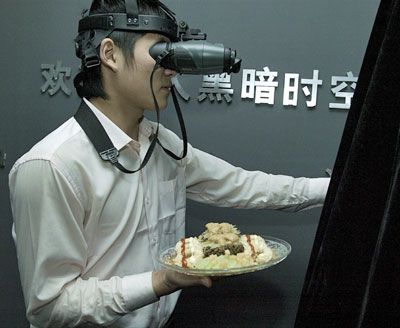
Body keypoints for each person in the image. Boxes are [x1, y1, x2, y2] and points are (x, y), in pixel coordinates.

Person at [9, 0, 330, 327]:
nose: (172, 69)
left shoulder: (161, 144)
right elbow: (50, 307)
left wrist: (336, 186)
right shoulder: (51, 166)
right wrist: (161, 282)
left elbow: (245, 186)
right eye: (160, 52)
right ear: (109, 54)